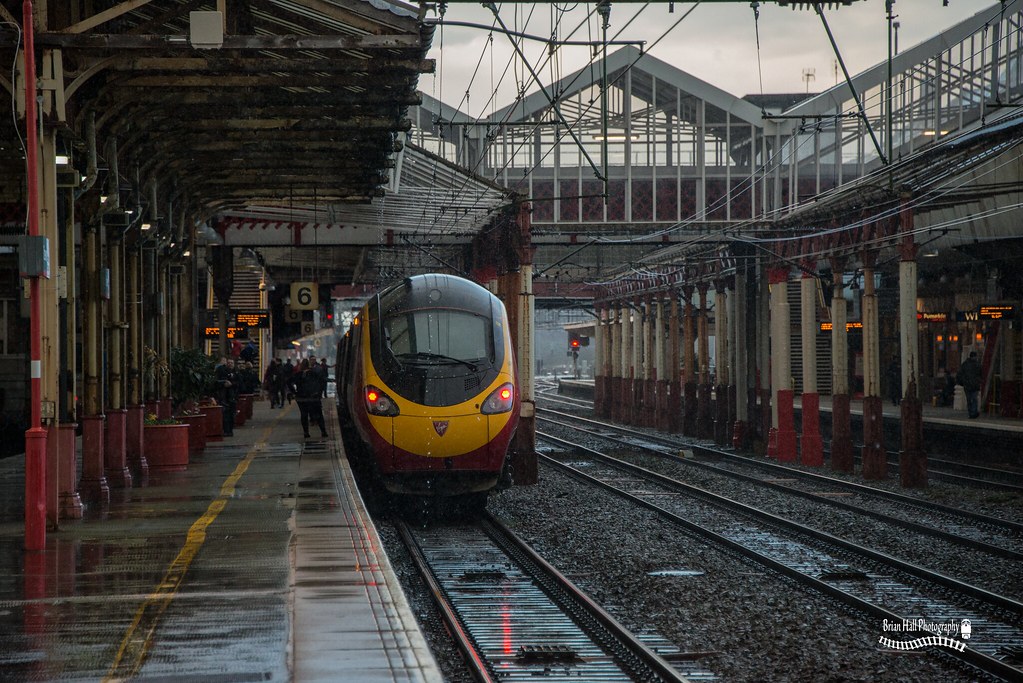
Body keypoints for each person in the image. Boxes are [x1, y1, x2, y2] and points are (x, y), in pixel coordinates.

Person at [288, 359, 328, 438]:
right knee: (319, 414)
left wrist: (294, 392)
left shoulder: (298, 374)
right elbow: (323, 381)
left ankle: (306, 433)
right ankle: (323, 432)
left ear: (301, 366)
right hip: (314, 398)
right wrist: (319, 392)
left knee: (304, 415)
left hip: (301, 398)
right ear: (309, 365)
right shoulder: (314, 374)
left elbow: (288, 382)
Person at [214, 356, 239, 436]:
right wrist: (223, 383)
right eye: (228, 363)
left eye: (232, 363)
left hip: (232, 396)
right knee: (225, 414)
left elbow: (240, 383)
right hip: (223, 396)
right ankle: (225, 430)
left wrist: (232, 384)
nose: (230, 364)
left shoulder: (236, 372)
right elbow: (216, 381)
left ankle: (230, 430)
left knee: (231, 414)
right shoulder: (221, 370)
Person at [958, 350, 982, 419]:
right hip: (975, 385)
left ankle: (971, 412)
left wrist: (962, 382)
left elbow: (960, 374)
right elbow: (981, 374)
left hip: (967, 385)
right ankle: (974, 412)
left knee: (969, 400)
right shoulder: (978, 365)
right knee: (974, 399)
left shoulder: (965, 364)